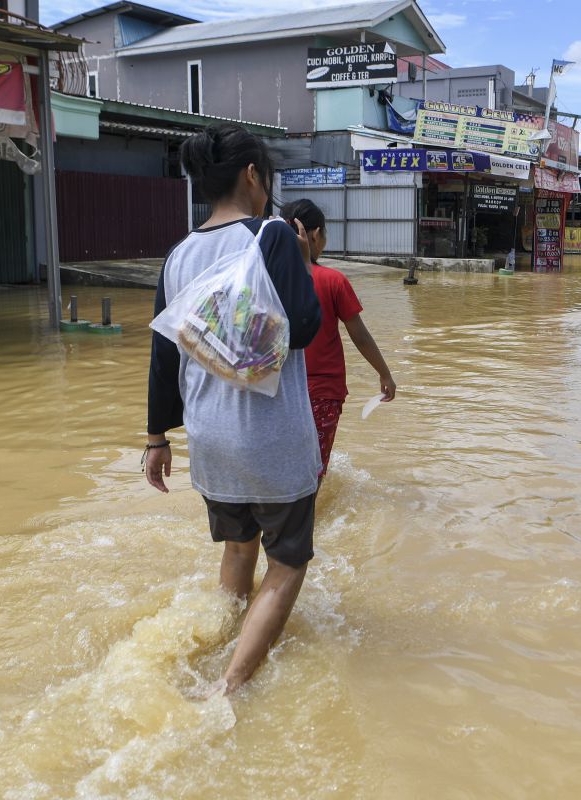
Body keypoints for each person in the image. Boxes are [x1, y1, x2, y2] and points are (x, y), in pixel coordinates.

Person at [145, 123, 322, 694]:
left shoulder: (178, 254)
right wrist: (297, 257)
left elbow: (162, 354)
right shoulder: (272, 236)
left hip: (210, 439)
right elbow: (304, 329)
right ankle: (233, 682)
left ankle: (217, 643)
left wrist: (156, 438)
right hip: (269, 437)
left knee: (239, 547)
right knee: (288, 561)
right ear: (252, 176)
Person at [279, 199, 397, 479]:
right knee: (314, 469)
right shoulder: (333, 281)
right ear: (316, 234)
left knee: (283, 467)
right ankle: (309, 522)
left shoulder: (267, 278)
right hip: (322, 393)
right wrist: (385, 374)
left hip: (278, 391)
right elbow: (360, 335)